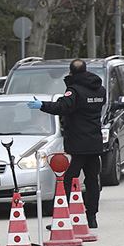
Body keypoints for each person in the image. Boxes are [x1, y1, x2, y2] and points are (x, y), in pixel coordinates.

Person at [27, 59, 105, 228]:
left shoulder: (75, 90)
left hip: (78, 143)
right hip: (94, 142)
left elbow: (63, 107)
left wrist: (42, 105)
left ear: (71, 73)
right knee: (92, 181)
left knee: (67, 180)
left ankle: (61, 218)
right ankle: (92, 217)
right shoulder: (100, 89)